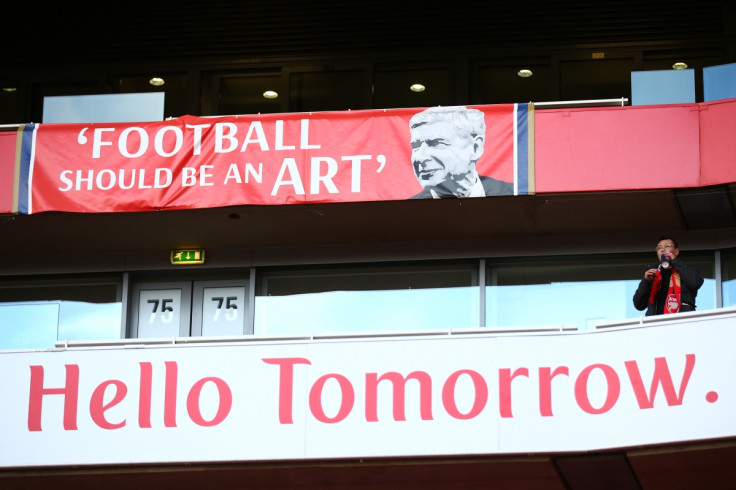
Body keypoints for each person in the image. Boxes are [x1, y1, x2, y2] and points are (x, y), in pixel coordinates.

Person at [409, 106, 513, 199]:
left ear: (475, 148)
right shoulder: (407, 210)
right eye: (415, 146)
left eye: (436, 143)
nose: (419, 157)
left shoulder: (514, 195)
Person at [633, 236, 704, 315]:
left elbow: (695, 283)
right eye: (659, 247)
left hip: (682, 322)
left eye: (667, 246)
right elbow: (639, 305)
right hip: (656, 324)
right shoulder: (653, 274)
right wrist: (646, 281)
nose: (663, 250)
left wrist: (675, 261)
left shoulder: (685, 271)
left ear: (676, 252)